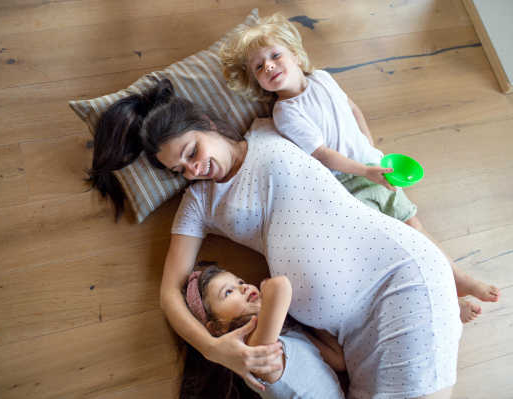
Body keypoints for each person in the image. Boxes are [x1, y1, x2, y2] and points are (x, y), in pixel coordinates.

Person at [88, 78, 461, 398]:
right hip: (348, 338)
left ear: (206, 123)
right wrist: (214, 349)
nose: (193, 169)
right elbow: (170, 292)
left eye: (192, 152)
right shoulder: (198, 203)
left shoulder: (268, 127)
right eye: (179, 168)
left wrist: (371, 157)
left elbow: (334, 100)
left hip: (395, 277)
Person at [219, 13, 500, 323]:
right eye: (259, 66)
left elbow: (352, 108)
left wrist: (371, 151)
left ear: (296, 56)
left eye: (274, 55)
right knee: (399, 246)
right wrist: (364, 171)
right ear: (256, 80)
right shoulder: (286, 112)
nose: (268, 66)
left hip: (373, 169)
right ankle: (447, 301)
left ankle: (458, 277)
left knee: (416, 228)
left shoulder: (323, 78)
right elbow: (323, 154)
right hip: (348, 186)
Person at [179, 265, 346, 398]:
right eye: (228, 292)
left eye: (240, 282)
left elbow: (338, 360)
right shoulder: (254, 351)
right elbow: (279, 286)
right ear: (217, 327)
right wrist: (268, 287)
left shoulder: (288, 333)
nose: (243, 287)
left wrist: (311, 314)